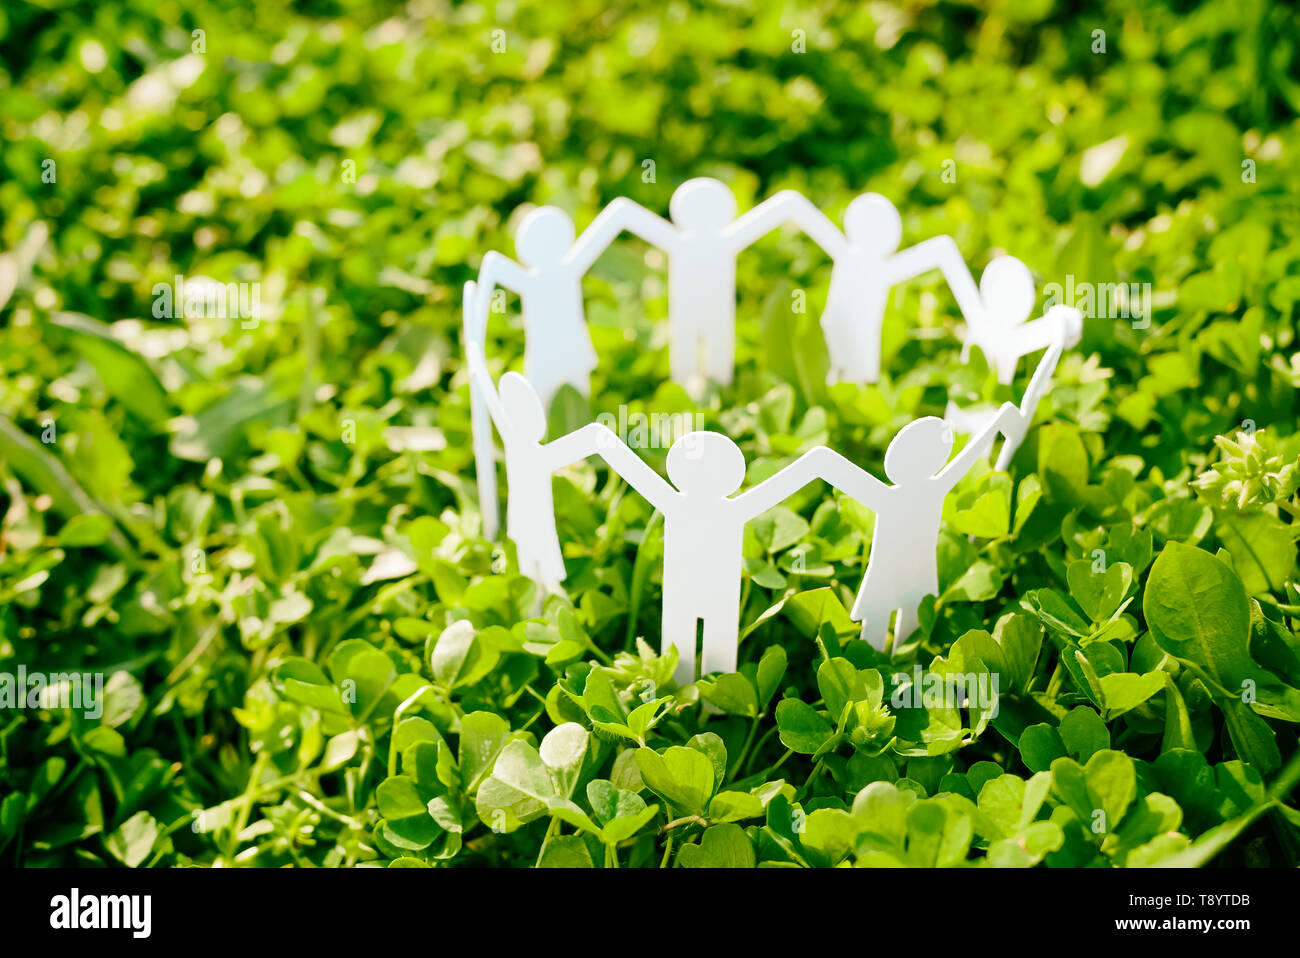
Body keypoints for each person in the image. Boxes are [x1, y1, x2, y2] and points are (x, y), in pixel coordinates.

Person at [588, 427, 844, 682]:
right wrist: (815, 464)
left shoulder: (691, 505)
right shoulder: (706, 506)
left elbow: (635, 472)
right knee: (682, 645)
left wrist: (603, 440)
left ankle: (712, 698)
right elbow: (635, 471)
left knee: (712, 649)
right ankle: (687, 696)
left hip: (711, 589)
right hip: (694, 588)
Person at [814, 403, 1021, 652]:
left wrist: (997, 424)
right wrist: (998, 424)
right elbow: (969, 455)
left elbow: (969, 455)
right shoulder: (926, 489)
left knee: (897, 618)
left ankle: (893, 658)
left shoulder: (900, 493)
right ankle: (878, 660)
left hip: (905, 572)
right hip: (907, 571)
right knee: (889, 619)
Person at [599, 179, 828, 393]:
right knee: (691, 346)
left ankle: (714, 390)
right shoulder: (707, 241)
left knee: (712, 346)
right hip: (693, 309)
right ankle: (694, 389)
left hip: (711, 309)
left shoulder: (708, 241)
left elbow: (626, 214)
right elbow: (780, 209)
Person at [792, 192, 984, 384]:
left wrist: (979, 319)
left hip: (861, 353)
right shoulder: (855, 258)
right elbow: (796, 207)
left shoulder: (878, 267)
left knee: (850, 386)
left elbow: (941, 251)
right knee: (833, 377)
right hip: (835, 339)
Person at [476, 202, 632, 410]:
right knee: (546, 393)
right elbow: (494, 265)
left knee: (574, 389)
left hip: (563, 347)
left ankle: (575, 427)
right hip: (551, 349)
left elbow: (494, 265)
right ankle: (555, 432)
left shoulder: (557, 272)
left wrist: (478, 305)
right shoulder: (547, 275)